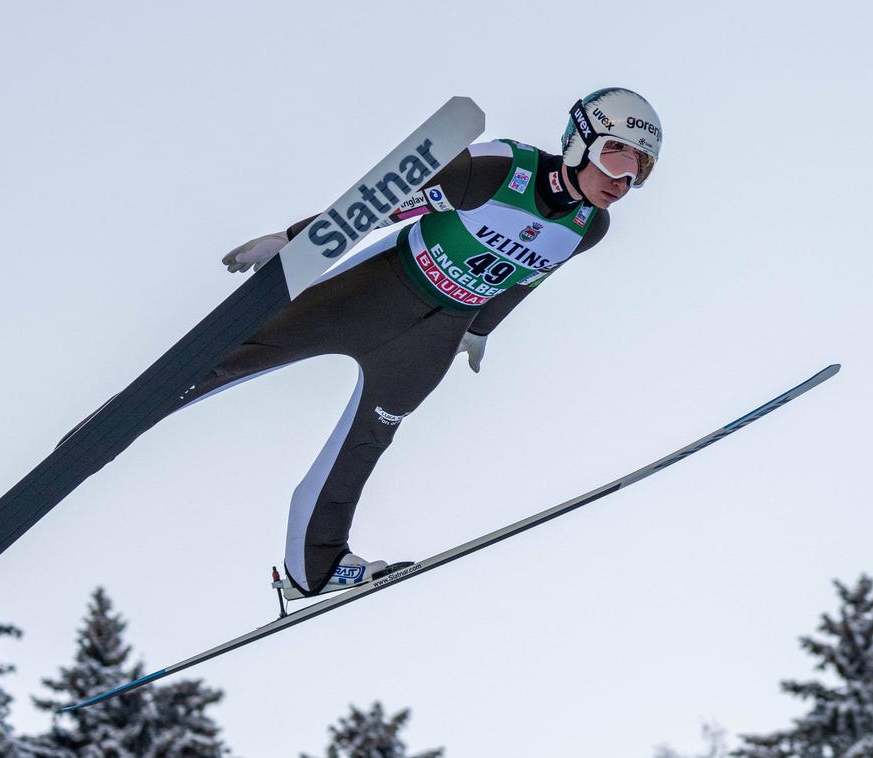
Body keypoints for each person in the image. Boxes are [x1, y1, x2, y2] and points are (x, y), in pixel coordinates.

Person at [182, 88, 661, 599]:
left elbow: (525, 278)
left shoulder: (589, 227)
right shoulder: (500, 169)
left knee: (369, 439)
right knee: (238, 357)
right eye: (616, 155)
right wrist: (297, 238)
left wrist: (479, 331)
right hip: (375, 291)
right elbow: (385, 202)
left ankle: (312, 569)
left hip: (434, 337)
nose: (623, 181)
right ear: (578, 143)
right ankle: (140, 406)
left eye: (641, 171)